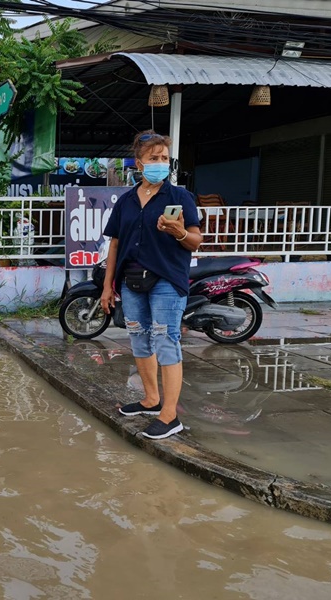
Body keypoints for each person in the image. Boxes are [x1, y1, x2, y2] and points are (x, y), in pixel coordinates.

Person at [100, 130, 203, 440]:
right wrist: (107, 286)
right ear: (139, 163)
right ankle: (150, 400)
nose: (160, 163)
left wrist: (178, 233)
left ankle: (170, 415)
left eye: (164, 158)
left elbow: (196, 241)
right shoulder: (127, 201)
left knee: (165, 340)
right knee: (139, 338)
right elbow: (115, 245)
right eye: (153, 158)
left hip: (167, 281)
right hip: (131, 281)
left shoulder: (180, 197)